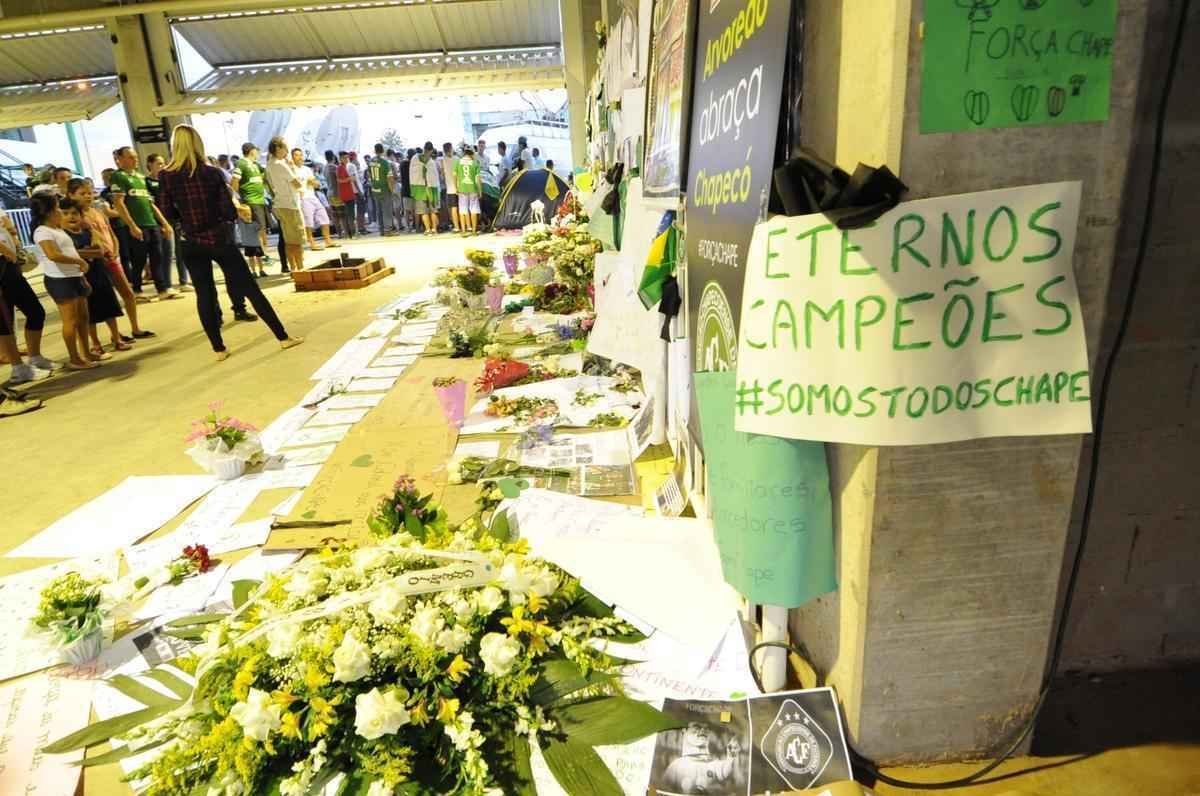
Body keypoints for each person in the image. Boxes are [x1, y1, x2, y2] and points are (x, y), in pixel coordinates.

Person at [156, 124, 302, 362]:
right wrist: (225, 219)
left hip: (190, 242)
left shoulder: (165, 176)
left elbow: (166, 211)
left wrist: (184, 225)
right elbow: (227, 208)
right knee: (250, 289)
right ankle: (282, 337)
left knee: (205, 294)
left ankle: (218, 349)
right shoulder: (211, 173)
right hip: (219, 238)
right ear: (197, 143)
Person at [67, 178, 153, 341]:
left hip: (112, 258)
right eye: (82, 194)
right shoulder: (75, 217)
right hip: (95, 262)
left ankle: (135, 327)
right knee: (102, 300)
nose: (87, 196)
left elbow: (110, 233)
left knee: (127, 292)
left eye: (89, 193)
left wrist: (115, 250)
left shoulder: (97, 212)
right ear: (71, 195)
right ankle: (111, 335)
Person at [30, 193, 100, 370]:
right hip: (60, 280)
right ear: (49, 211)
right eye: (57, 208)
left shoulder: (57, 229)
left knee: (83, 318)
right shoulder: (42, 231)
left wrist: (81, 275)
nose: (60, 211)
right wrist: (79, 261)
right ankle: (74, 358)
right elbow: (52, 255)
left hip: (75, 277)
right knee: (71, 320)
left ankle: (86, 352)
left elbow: (70, 251)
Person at [111, 146, 180, 301]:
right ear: (120, 159)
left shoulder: (141, 178)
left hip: (151, 223)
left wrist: (164, 223)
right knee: (139, 258)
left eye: (135, 156)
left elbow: (151, 203)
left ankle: (162, 289)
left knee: (157, 256)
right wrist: (132, 225)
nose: (135, 159)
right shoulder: (118, 177)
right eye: (130, 156)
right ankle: (136, 290)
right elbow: (119, 203)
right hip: (137, 225)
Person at [60, 199, 128, 358]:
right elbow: (71, 254)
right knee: (89, 313)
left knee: (109, 306)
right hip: (81, 276)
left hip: (99, 273)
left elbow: (99, 251)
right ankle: (96, 343)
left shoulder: (89, 232)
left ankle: (117, 337)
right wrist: (87, 252)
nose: (71, 217)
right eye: (66, 213)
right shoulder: (63, 236)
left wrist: (82, 252)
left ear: (82, 215)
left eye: (75, 213)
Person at [0, 204, 52, 383]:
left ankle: (34, 358)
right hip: (3, 265)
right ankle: (18, 368)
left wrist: (12, 241)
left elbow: (9, 227)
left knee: (35, 311)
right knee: (5, 322)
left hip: (10, 266)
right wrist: (4, 249)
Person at [146, 153, 191, 292]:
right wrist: (162, 223)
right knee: (167, 252)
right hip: (162, 221)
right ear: (150, 165)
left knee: (181, 250)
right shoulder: (146, 182)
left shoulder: (167, 179)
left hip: (176, 218)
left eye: (163, 163)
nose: (162, 166)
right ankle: (167, 284)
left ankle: (184, 281)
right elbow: (151, 204)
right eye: (158, 163)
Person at [265, 136, 304, 273]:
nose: (287, 150)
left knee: (288, 239)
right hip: (290, 204)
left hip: (280, 203)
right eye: (285, 147)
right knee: (296, 239)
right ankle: (299, 269)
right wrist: (292, 167)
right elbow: (296, 183)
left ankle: (293, 267)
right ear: (278, 148)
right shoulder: (280, 164)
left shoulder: (269, 164)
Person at [231, 142, 270, 277]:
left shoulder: (256, 165)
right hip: (250, 201)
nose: (258, 154)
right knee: (255, 232)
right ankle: (257, 264)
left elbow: (266, 176)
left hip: (261, 201)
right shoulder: (241, 163)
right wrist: (235, 199)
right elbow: (234, 181)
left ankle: (263, 257)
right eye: (257, 151)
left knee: (262, 230)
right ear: (252, 151)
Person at [293, 148, 335, 251]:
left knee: (324, 217)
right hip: (303, 198)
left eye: (301, 155)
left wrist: (313, 182)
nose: (300, 157)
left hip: (313, 196)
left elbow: (316, 183)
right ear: (293, 157)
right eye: (297, 155)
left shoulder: (307, 169)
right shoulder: (292, 170)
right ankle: (312, 243)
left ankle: (328, 240)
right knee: (309, 222)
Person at [410, 142, 440, 236]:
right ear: (431, 150)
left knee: (423, 211)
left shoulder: (415, 158)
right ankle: (434, 229)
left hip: (419, 188)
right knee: (433, 210)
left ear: (424, 148)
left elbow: (412, 173)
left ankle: (427, 230)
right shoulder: (431, 161)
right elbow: (435, 176)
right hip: (431, 188)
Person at [369, 143, 397, 235]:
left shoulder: (371, 161)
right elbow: (390, 178)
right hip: (384, 189)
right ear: (382, 151)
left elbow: (369, 176)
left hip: (375, 189)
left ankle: (381, 230)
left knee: (379, 210)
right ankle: (388, 230)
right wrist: (392, 190)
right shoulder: (385, 163)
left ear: (375, 150)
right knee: (387, 210)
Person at [454, 146, 481, 236]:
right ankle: (473, 231)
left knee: (462, 210)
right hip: (473, 189)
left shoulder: (457, 162)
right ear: (471, 154)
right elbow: (478, 179)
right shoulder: (475, 163)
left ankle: (464, 231)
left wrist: (456, 187)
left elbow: (454, 175)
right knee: (473, 210)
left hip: (461, 189)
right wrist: (480, 191)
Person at [336, 151, 358, 239]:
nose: (346, 159)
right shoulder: (340, 168)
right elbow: (340, 180)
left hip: (349, 193)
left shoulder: (345, 167)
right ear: (340, 159)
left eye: (347, 158)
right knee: (350, 215)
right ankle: (352, 233)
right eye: (344, 158)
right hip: (346, 194)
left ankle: (351, 233)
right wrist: (350, 178)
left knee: (350, 214)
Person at [441, 142, 460, 234]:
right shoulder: (457, 159)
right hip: (460, 187)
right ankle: (463, 225)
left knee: (453, 208)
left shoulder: (442, 160)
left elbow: (442, 174)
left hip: (450, 188)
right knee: (461, 207)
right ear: (451, 149)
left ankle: (456, 226)